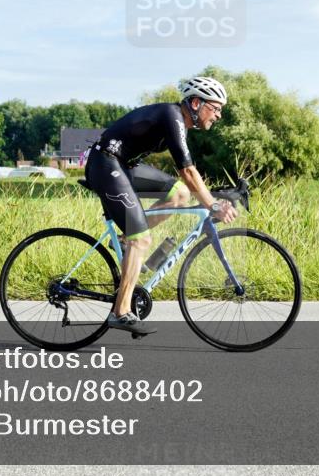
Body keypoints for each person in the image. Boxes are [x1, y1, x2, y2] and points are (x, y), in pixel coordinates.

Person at [83, 76, 238, 335]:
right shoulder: (172, 116)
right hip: (105, 163)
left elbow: (187, 182)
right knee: (141, 239)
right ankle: (120, 312)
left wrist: (218, 195)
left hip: (123, 165)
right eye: (216, 107)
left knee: (179, 194)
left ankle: (125, 238)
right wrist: (213, 205)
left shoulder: (179, 122)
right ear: (197, 103)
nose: (219, 115)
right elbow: (187, 171)